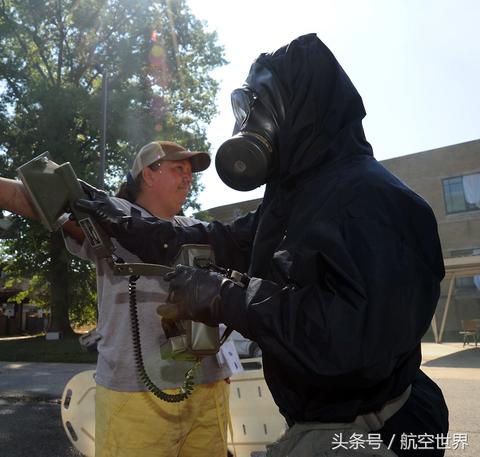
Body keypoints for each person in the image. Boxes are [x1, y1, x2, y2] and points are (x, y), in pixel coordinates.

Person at [75, 34, 449, 456]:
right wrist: (133, 224)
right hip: (323, 424)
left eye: (251, 107)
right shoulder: (296, 198)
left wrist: (225, 297)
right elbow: (224, 240)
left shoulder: (375, 202)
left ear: (293, 108)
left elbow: (350, 340)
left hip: (373, 432)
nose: (244, 123)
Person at [0, 140, 234, 457]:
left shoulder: (196, 228)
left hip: (209, 388)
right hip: (138, 395)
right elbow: (38, 200)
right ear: (149, 174)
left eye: (190, 172)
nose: (188, 178)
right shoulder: (114, 218)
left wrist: (224, 369)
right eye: (178, 169)